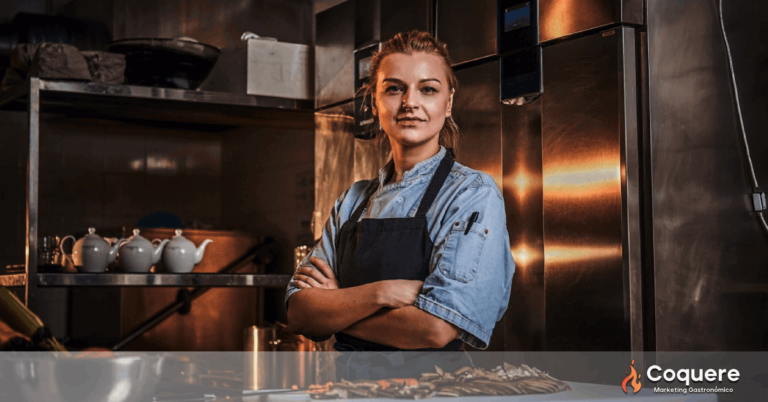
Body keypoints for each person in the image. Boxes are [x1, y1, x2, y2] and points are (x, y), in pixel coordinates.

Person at [285, 30, 515, 380]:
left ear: (448, 102)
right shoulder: (353, 201)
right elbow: (300, 314)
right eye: (394, 88)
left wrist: (339, 306)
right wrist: (383, 293)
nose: (410, 102)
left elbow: (436, 329)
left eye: (428, 89)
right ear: (374, 102)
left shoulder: (472, 194)